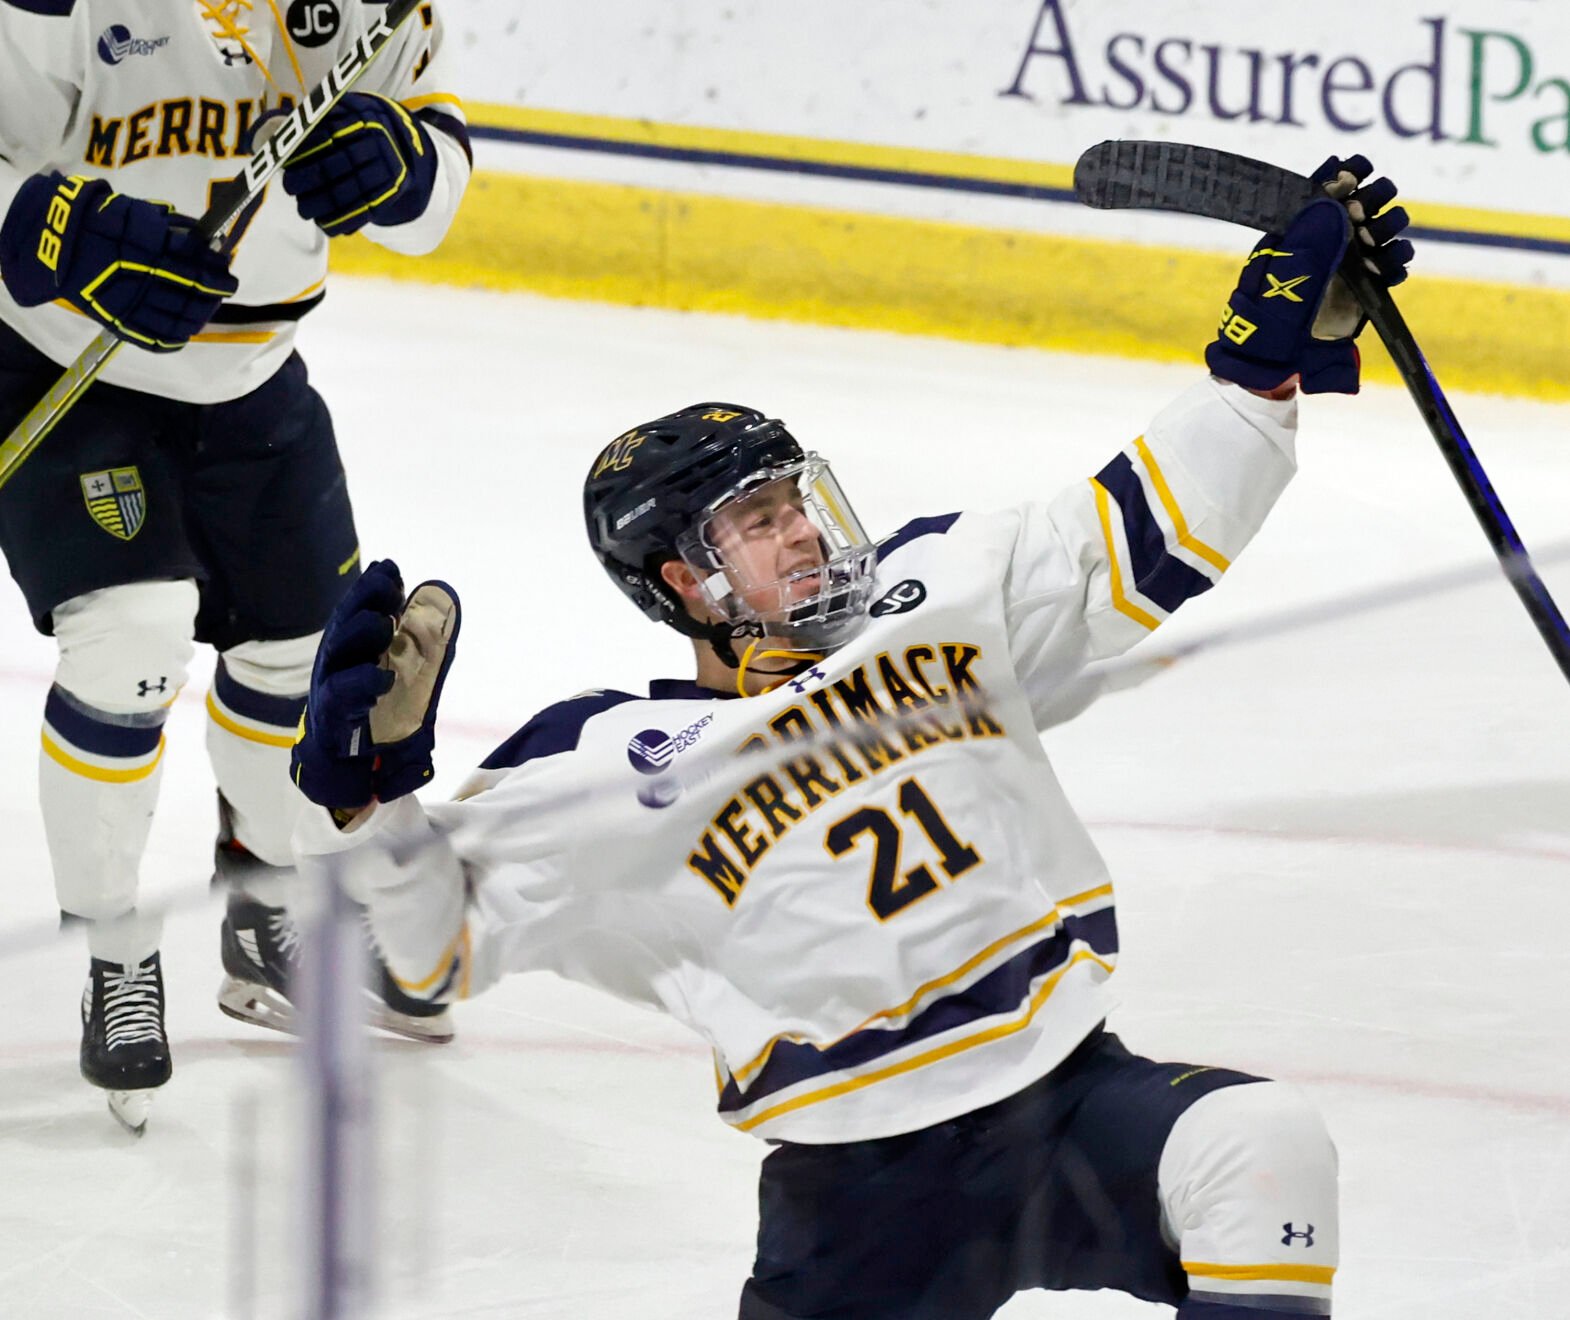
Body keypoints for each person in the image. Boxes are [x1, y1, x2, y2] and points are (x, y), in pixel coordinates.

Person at [291, 157, 1413, 1317]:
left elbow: (1142, 530)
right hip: (863, 1195)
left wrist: (1260, 364)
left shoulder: (936, 587)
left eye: (799, 502)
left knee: (1258, 1143)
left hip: (1070, 1104)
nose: (804, 536)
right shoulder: (605, 757)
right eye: (758, 524)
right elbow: (432, 943)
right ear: (685, 579)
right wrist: (372, 796)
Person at [0, 1, 472, 1133]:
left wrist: (402, 168)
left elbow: (439, 158)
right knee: (133, 643)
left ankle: (265, 909)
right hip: (71, 373)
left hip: (257, 380)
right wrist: (59, 237)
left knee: (299, 655)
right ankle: (117, 950)